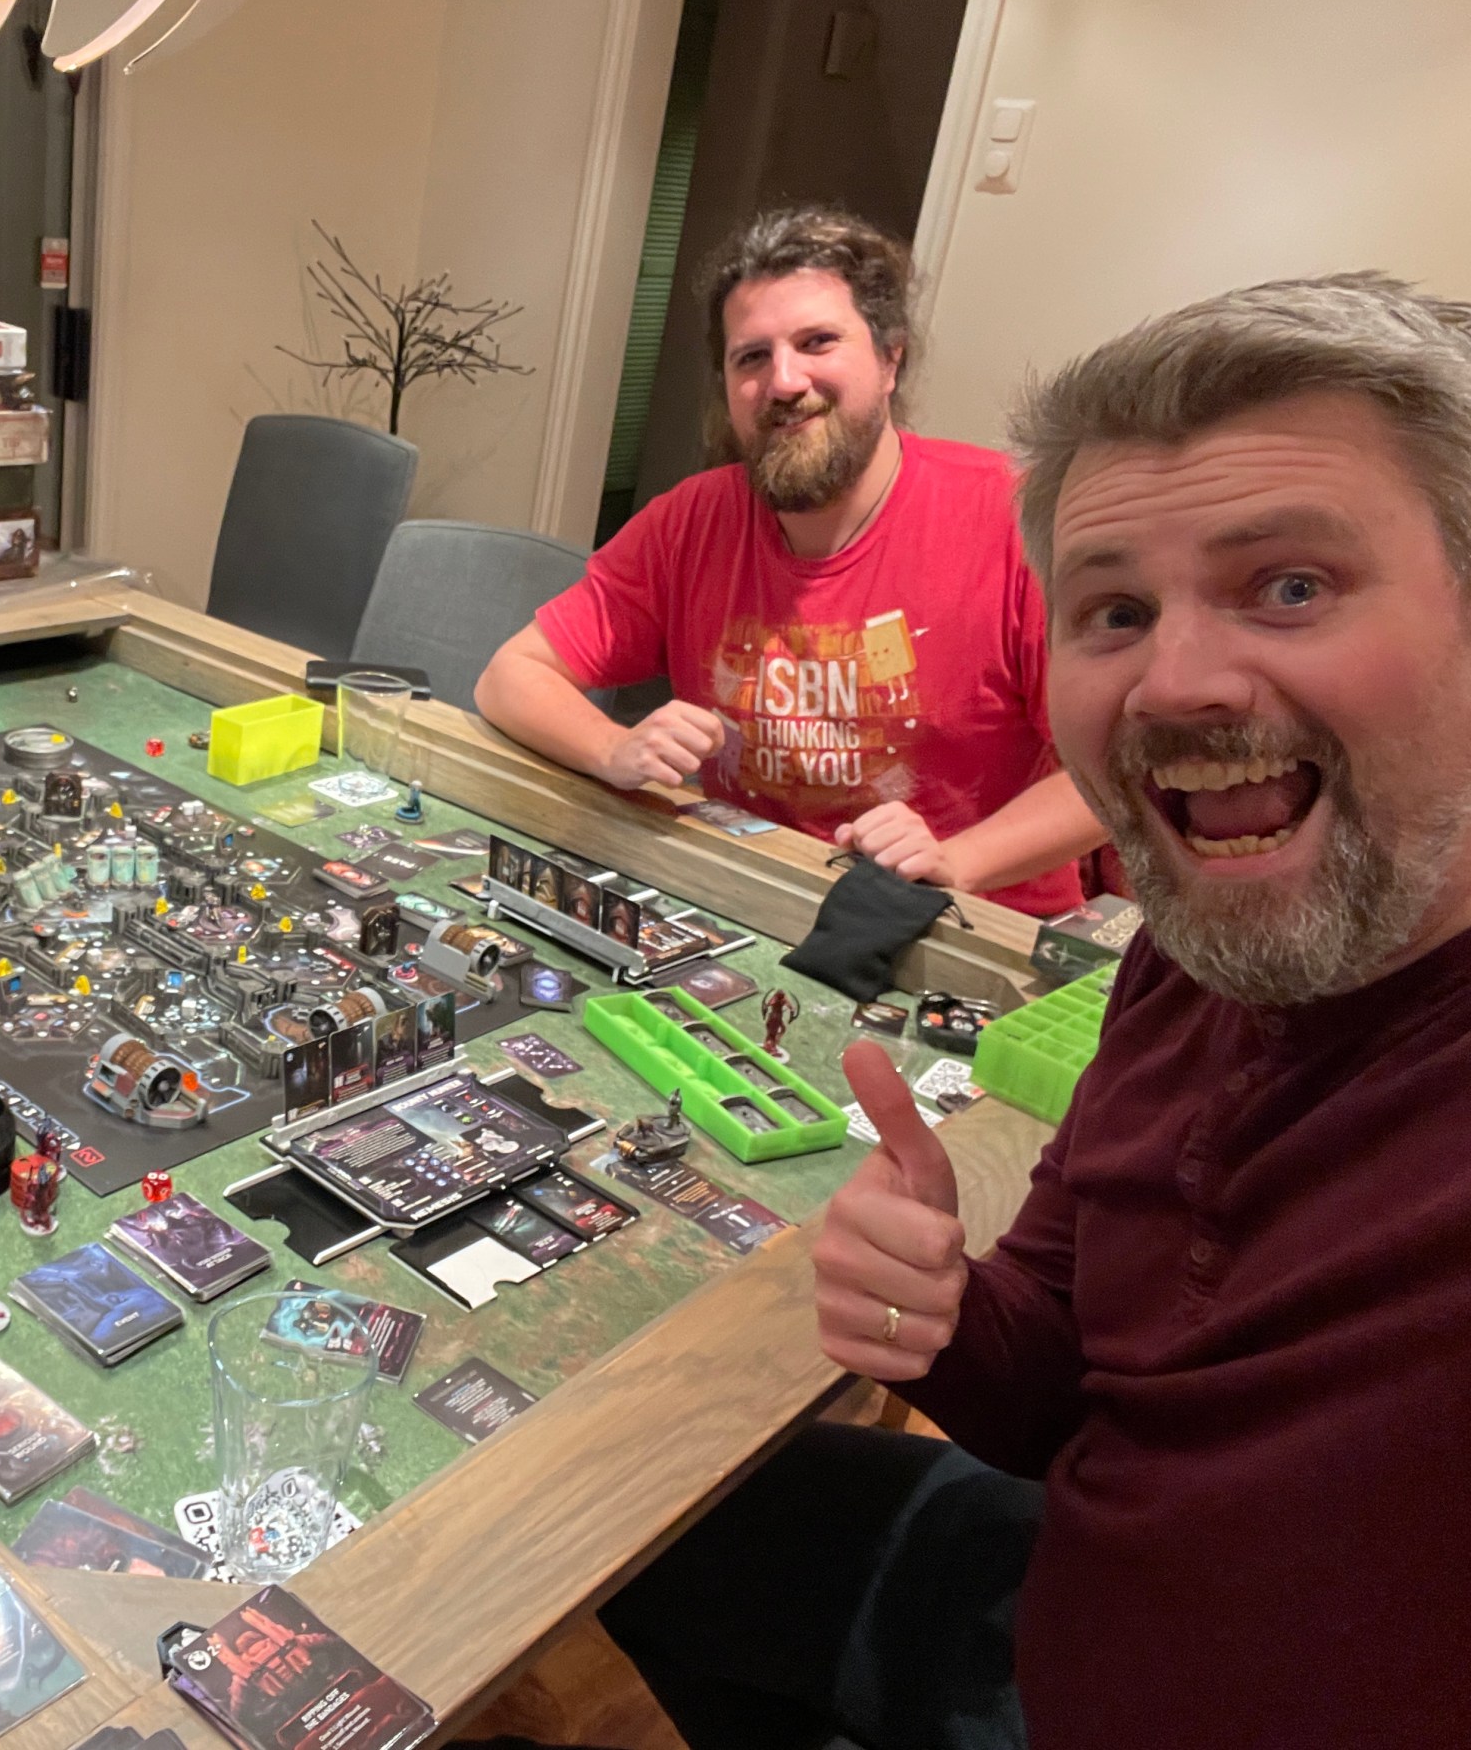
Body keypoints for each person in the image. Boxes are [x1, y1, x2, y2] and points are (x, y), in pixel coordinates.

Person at [603, 272, 1471, 1748]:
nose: (1177, 683)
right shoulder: (1182, 955)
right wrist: (942, 1308)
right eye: (1115, 610)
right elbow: (1061, 1388)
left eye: (1292, 586)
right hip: (1065, 1593)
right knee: (645, 1517)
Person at [475, 207, 1105, 916]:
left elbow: (1116, 773)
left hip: (976, 920)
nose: (783, 381)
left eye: (817, 342)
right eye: (751, 357)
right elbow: (511, 676)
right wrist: (613, 749)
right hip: (751, 901)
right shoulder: (690, 519)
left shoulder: (1018, 519)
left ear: (890, 359)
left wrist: (955, 859)